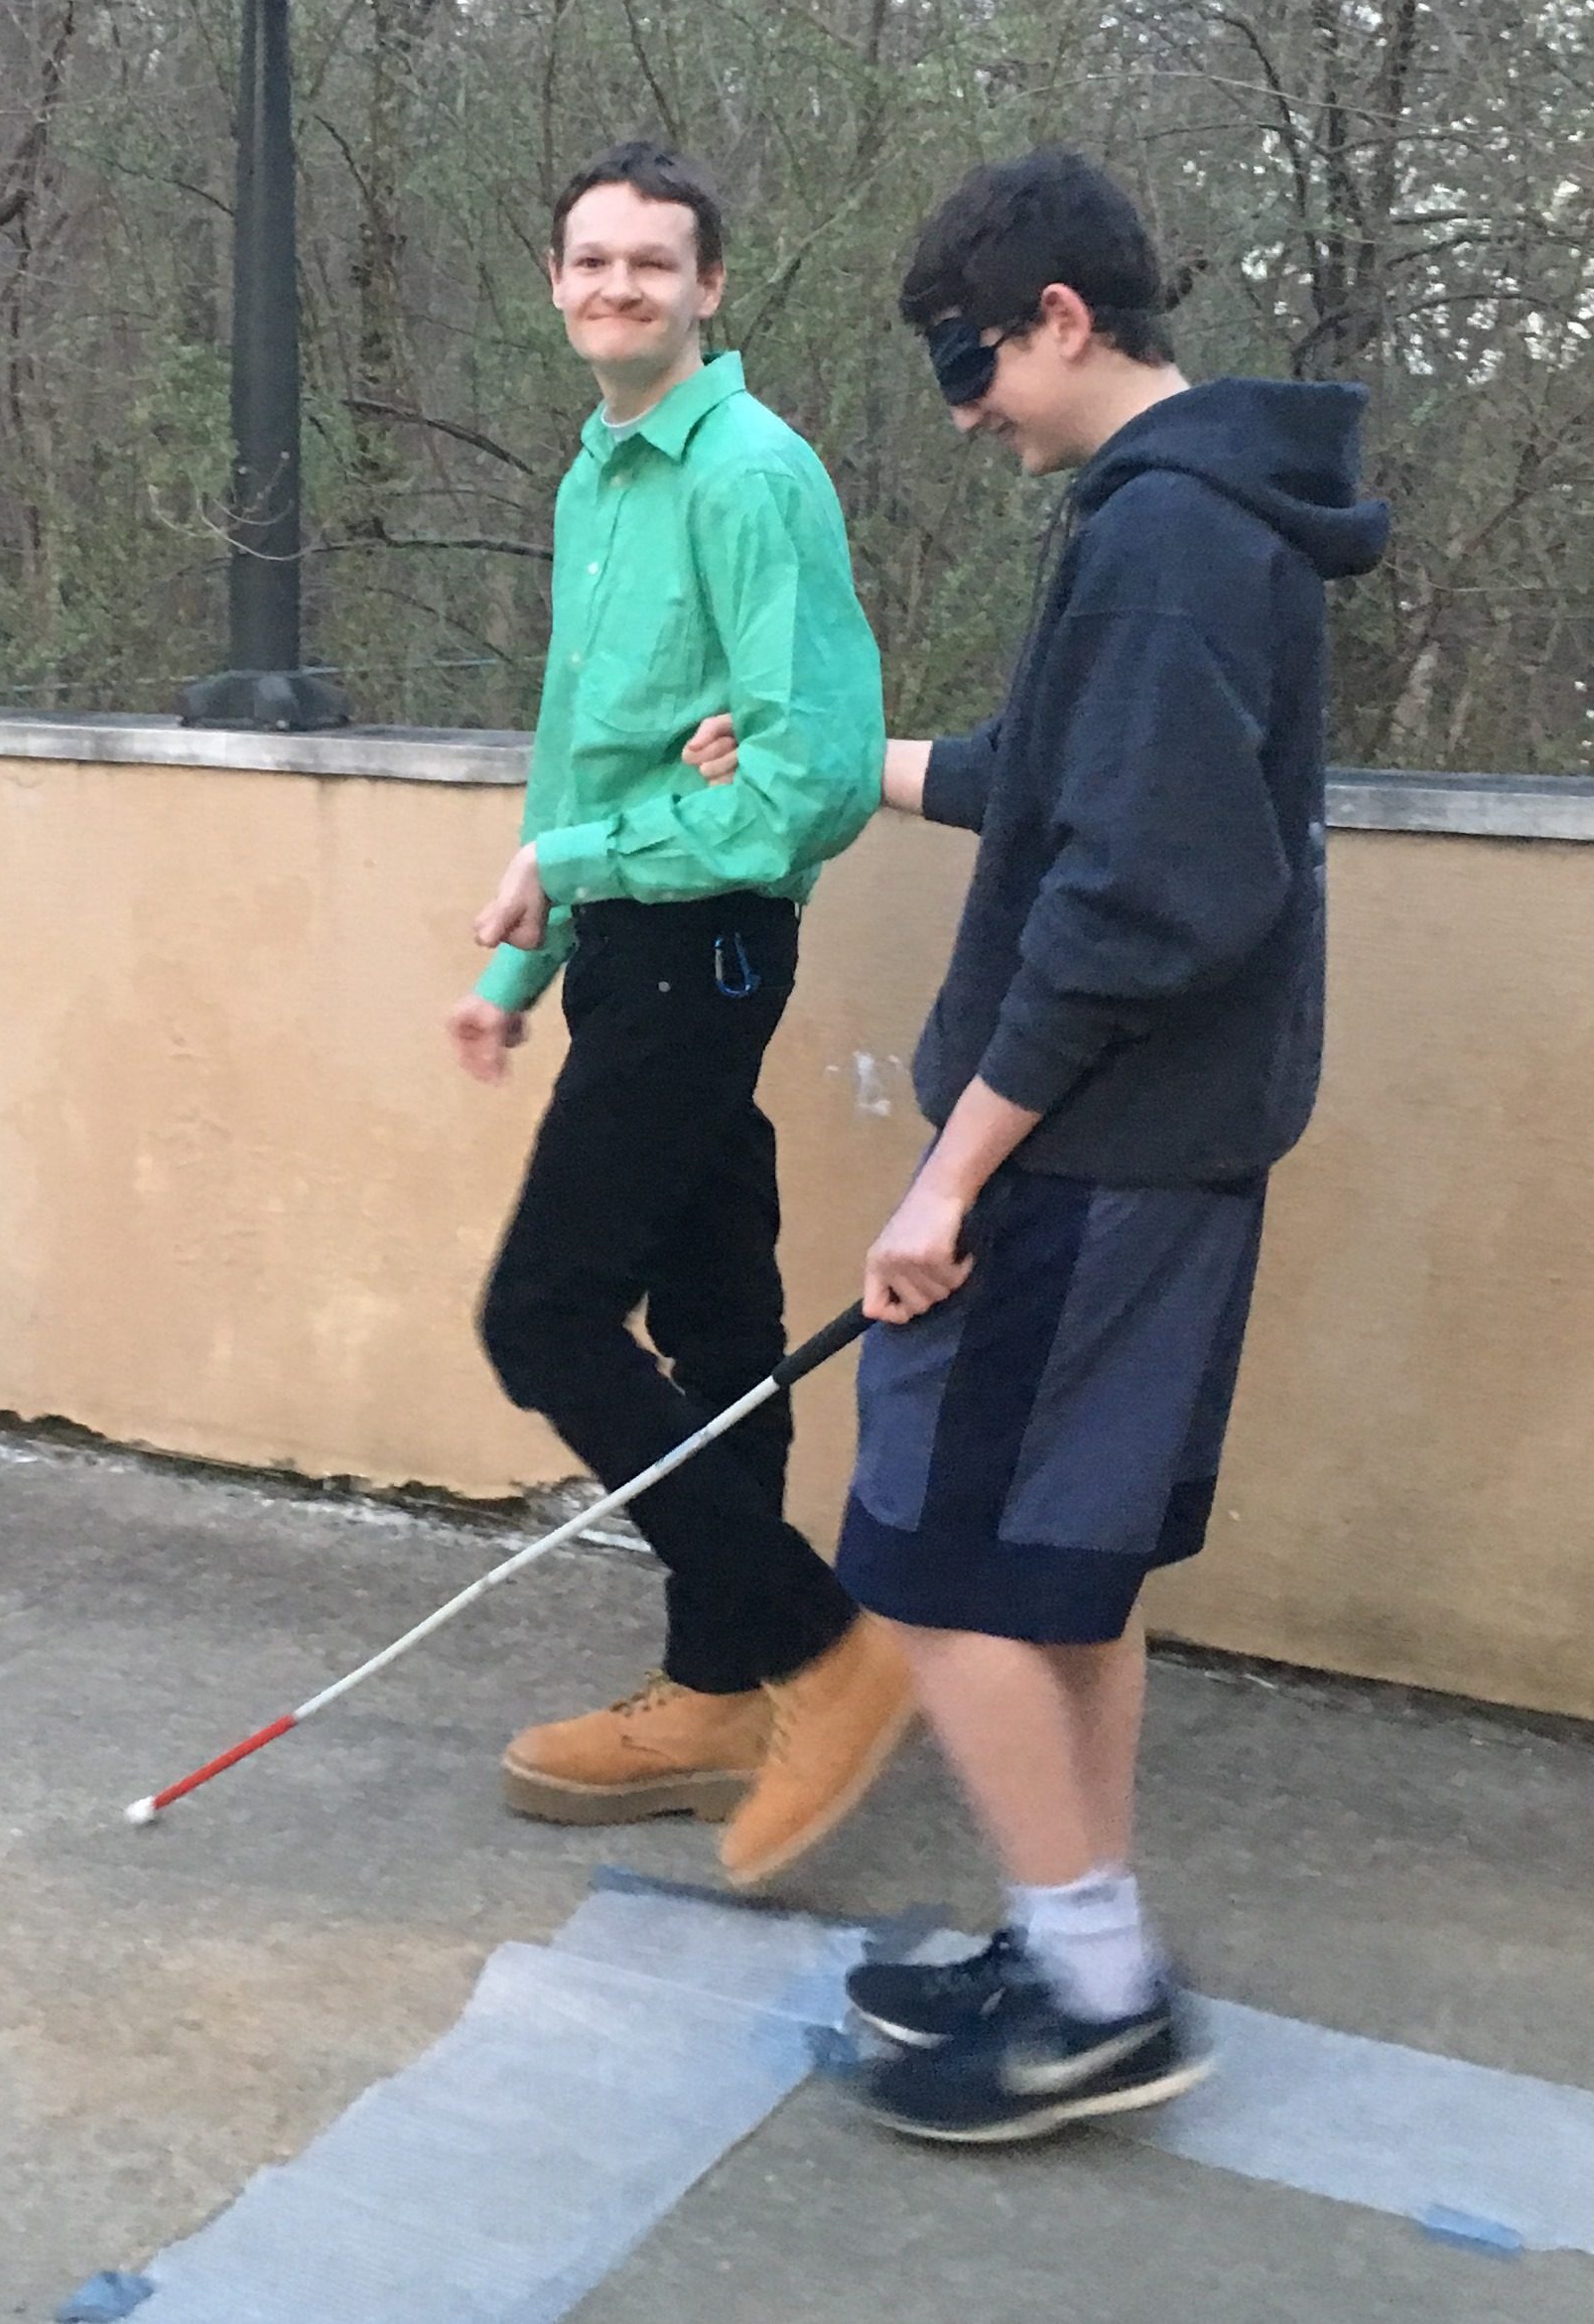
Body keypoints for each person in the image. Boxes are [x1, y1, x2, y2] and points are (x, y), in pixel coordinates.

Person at [828, 148, 1389, 2138]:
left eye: (968, 360)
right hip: (1151, 1151)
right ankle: (1078, 1939)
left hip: (1085, 1154)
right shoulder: (1202, 515)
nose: (964, 404)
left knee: (936, 1560)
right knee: (1062, 1565)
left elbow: (1146, 898)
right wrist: (843, 760)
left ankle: (1097, 1995)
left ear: (1060, 317)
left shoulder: (1166, 540)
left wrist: (947, 1173)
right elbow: (1063, 782)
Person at [450, 140, 911, 1890]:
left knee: (545, 1315)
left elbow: (811, 784)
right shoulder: (597, 479)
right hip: (631, 939)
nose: (616, 289)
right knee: (718, 1325)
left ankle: (820, 1644)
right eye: (590, 263)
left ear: (712, 288)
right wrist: (517, 962)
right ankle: (722, 1689)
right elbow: (585, 756)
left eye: (653, 264)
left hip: (706, 941)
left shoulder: (751, 476)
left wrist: (577, 855)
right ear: (558, 284)